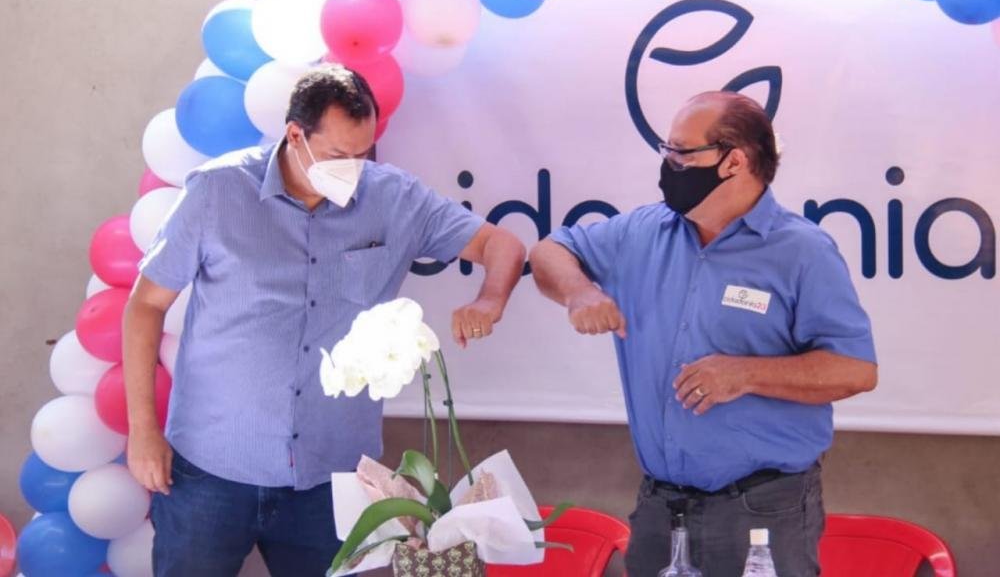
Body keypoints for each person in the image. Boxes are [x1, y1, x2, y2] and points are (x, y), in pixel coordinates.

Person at [123, 64, 526, 577]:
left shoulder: (395, 198)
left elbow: (501, 243)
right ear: (296, 135)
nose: (353, 169)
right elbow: (146, 305)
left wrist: (489, 300)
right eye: (338, 156)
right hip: (210, 472)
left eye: (364, 154)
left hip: (330, 482)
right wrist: (143, 431)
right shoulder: (217, 191)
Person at [529, 91, 877, 576]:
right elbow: (549, 251)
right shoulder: (643, 231)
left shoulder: (803, 252)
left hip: (762, 512)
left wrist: (745, 375)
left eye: (681, 152)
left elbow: (856, 371)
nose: (668, 164)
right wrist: (579, 293)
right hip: (662, 509)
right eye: (667, 150)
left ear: (734, 161)